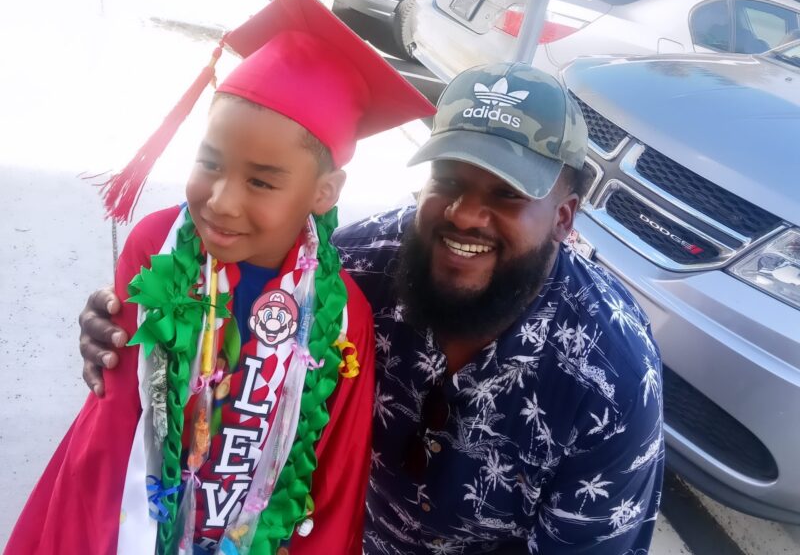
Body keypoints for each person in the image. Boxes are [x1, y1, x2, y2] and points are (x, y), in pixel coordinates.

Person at [76, 62, 664, 553]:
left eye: (506, 195)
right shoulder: (350, 276)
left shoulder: (610, 379)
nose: (463, 213)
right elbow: (214, 324)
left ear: (564, 217)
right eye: (447, 180)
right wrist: (128, 329)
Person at [7, 0, 435, 555]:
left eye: (261, 180)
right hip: (130, 528)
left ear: (324, 193)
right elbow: (110, 437)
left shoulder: (342, 315)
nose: (222, 201)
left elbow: (332, 469)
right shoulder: (157, 247)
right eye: (209, 162)